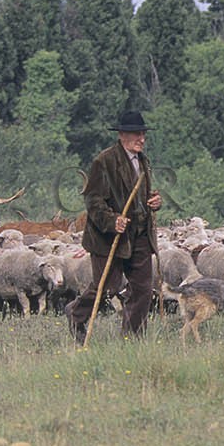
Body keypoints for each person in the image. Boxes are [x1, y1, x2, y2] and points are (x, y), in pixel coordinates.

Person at [68, 110, 163, 344]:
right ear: (122, 135)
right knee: (107, 287)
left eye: (143, 134)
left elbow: (138, 196)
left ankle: (131, 339)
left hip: (139, 235)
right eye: (136, 134)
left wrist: (154, 202)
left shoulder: (142, 161)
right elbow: (93, 200)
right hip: (109, 238)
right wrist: (112, 221)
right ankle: (76, 313)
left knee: (142, 289)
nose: (141, 138)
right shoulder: (104, 161)